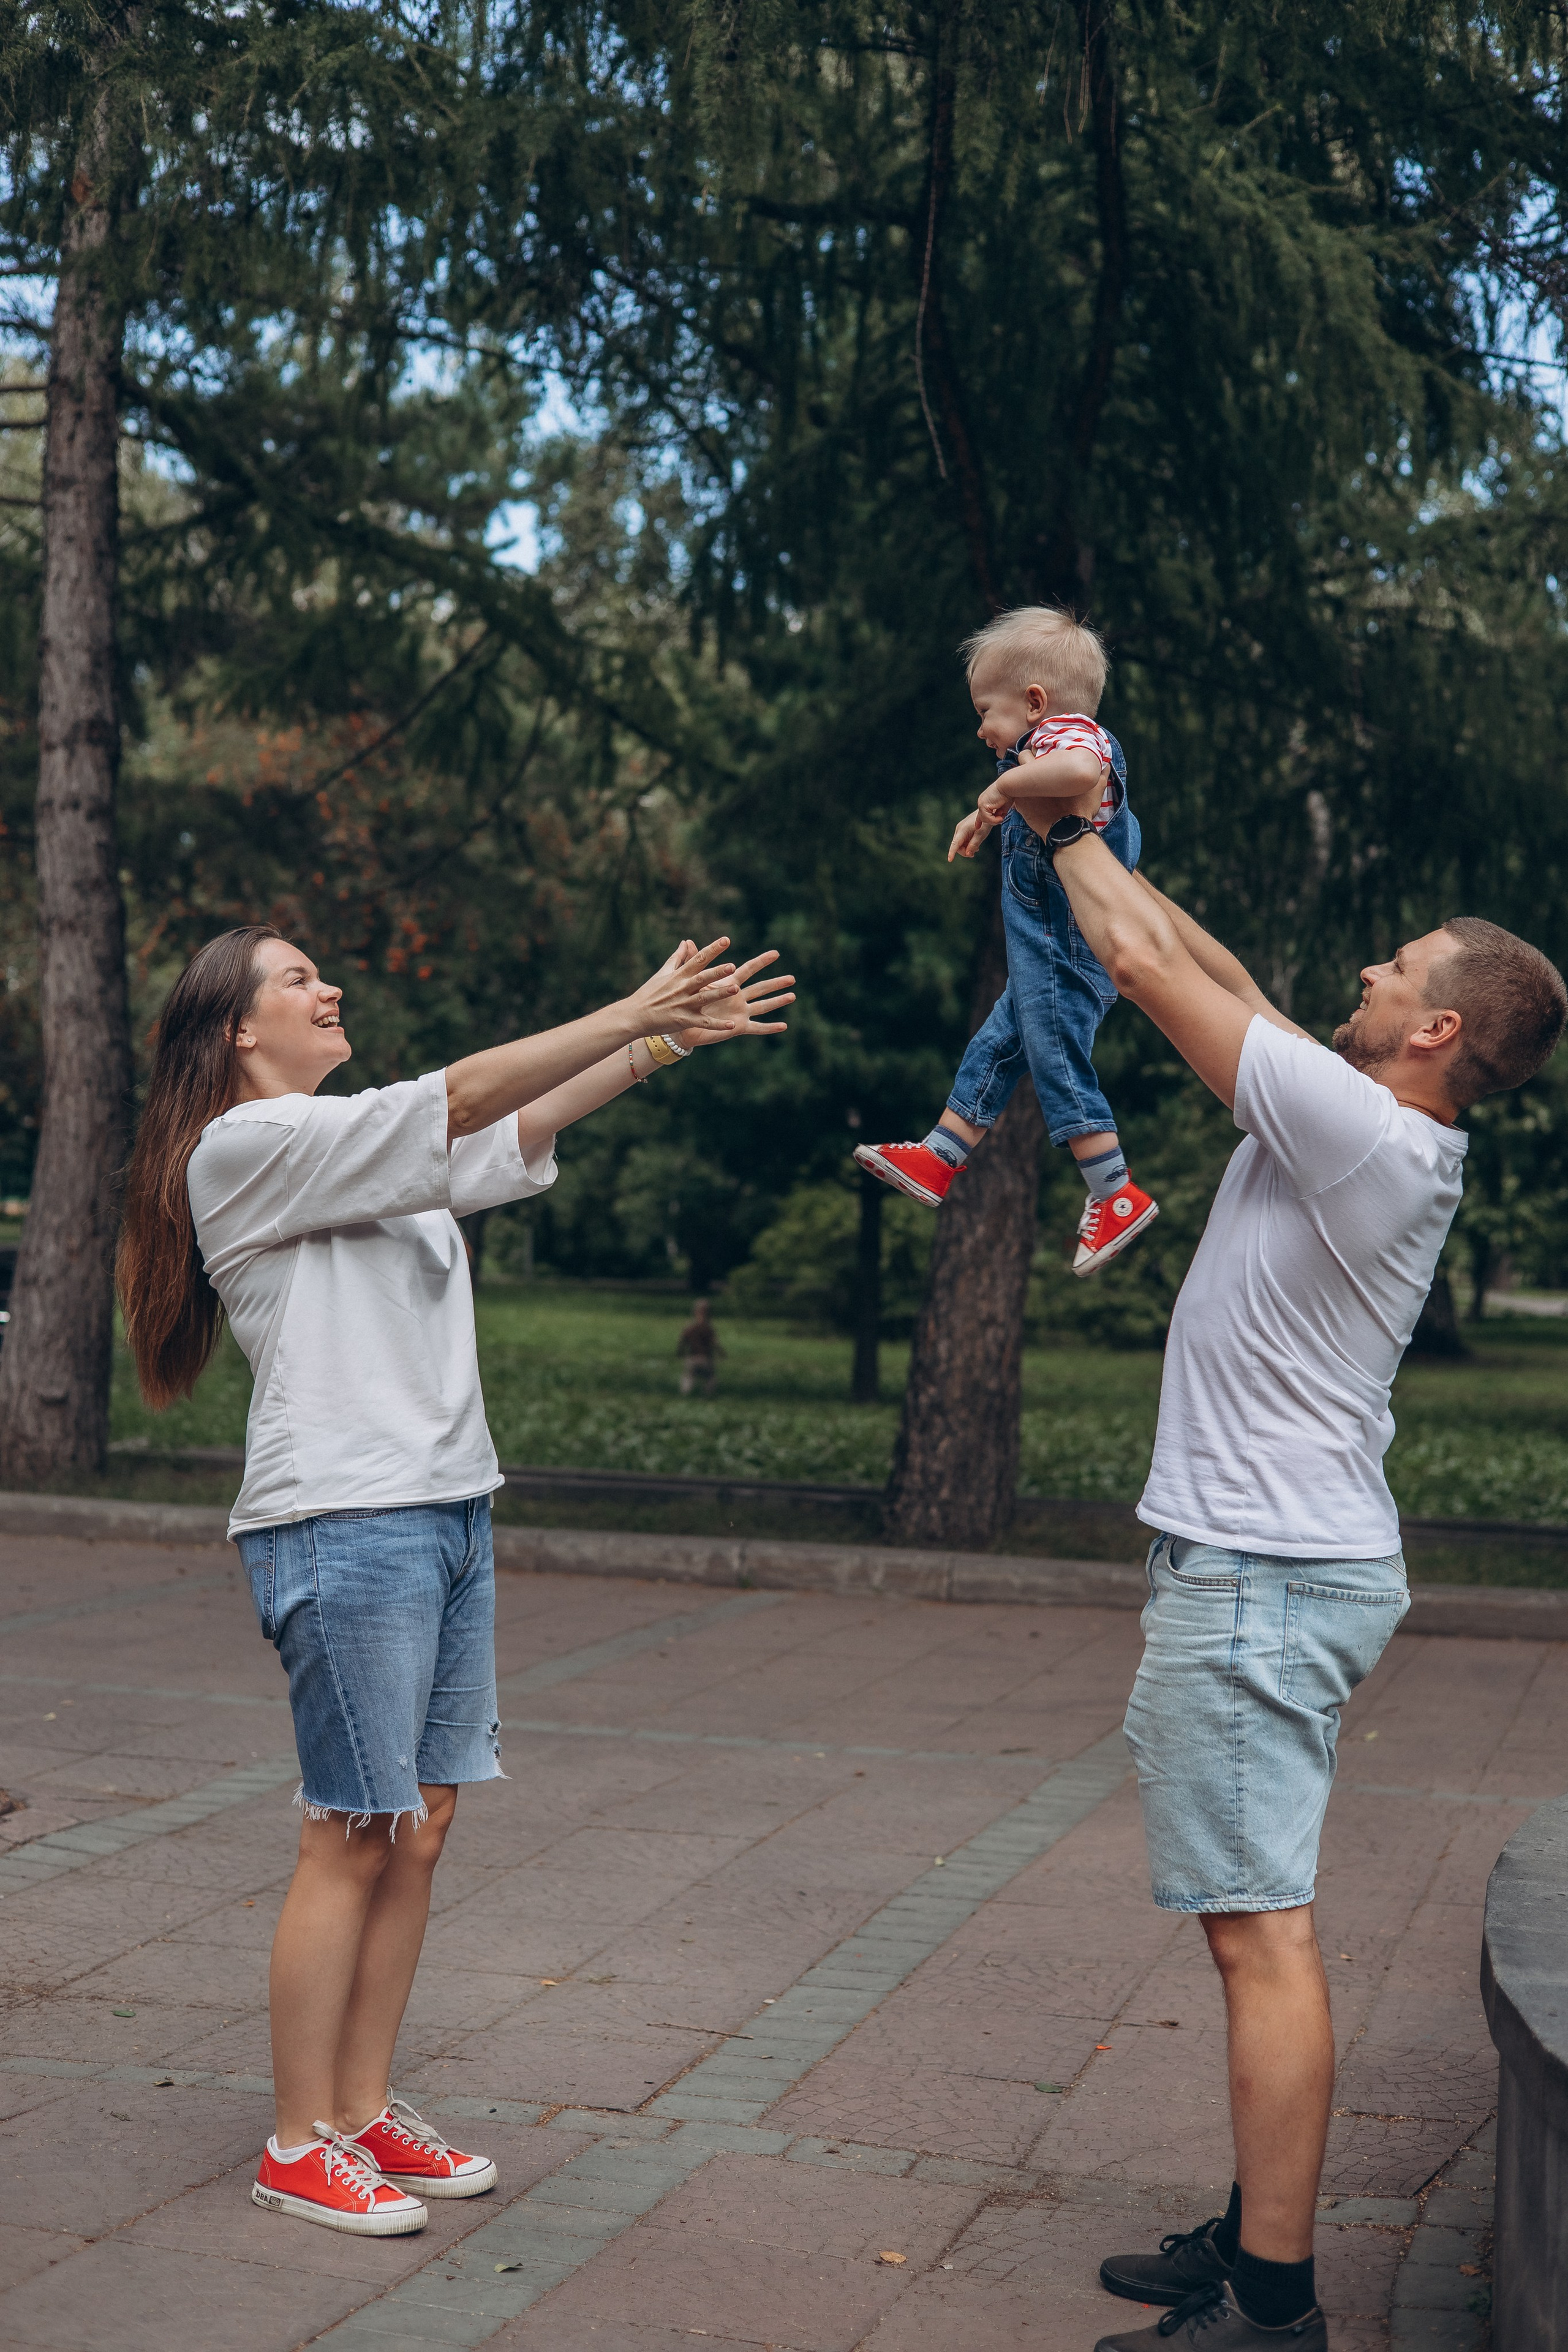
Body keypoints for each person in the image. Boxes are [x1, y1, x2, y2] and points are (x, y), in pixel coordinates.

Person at [116, 925, 793, 2238]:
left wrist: (655, 1041)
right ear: (239, 1031)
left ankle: (361, 2113)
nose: (330, 988)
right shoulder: (243, 1150)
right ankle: (295, 2141)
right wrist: (621, 1004)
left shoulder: (361, 1149)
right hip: (344, 1518)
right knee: (348, 1829)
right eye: (300, 979)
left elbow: (503, 1128)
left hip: (445, 1507)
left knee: (419, 1822)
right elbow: (463, 1095)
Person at [1022, 809, 1566, 2351]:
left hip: (1264, 1576)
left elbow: (1134, 960)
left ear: (1435, 1028)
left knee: (1260, 1934)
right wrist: (1095, 809)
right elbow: (1210, 965)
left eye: (1391, 967)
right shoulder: (1352, 1107)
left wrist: (1057, 818)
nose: (1362, 969)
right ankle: (1253, 2233)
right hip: (1272, 1564)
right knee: (1250, 1924)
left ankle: (1271, 2305)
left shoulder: (1363, 1131)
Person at [853, 606, 1158, 1275]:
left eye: (986, 710)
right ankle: (939, 1157)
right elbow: (1038, 791)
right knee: (998, 1045)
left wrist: (1000, 786)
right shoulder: (1036, 754)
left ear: (1034, 703)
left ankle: (1115, 1192)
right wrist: (988, 810)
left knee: (1054, 1054)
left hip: (1066, 942)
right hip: (1051, 945)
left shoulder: (1070, 738)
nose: (979, 728)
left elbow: (1078, 773)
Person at [676, 1297, 723, 1396]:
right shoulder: (709, 1328)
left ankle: (685, 1393)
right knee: (710, 1378)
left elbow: (682, 1341)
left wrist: (680, 1352)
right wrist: (721, 1352)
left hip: (692, 1359)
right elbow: (715, 1343)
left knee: (689, 1376)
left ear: (694, 1312)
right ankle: (708, 1395)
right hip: (706, 1360)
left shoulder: (689, 1327)